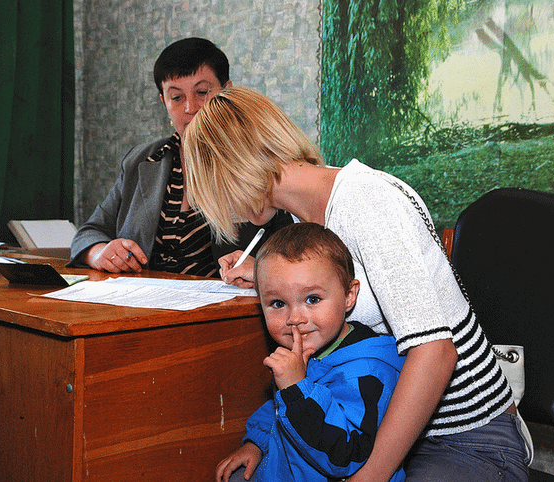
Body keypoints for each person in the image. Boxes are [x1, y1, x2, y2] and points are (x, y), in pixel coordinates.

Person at [183, 87, 531, 482]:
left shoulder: (365, 201)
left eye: (218, 191)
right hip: (388, 430)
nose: (228, 207)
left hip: (466, 435)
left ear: (232, 169)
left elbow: (436, 353)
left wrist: (370, 477)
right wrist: (266, 276)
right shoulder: (308, 221)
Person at [68, 38, 292, 276]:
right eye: (177, 97)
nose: (190, 108)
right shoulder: (142, 160)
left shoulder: (258, 160)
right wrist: (100, 252)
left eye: (202, 92)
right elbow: (89, 232)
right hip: (147, 304)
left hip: (231, 307)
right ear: (163, 101)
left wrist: (260, 270)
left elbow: (299, 250)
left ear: (227, 92)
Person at [217, 222, 405, 482]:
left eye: (312, 299)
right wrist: (257, 442)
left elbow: (344, 455)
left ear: (349, 295)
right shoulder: (309, 348)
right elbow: (277, 404)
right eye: (278, 303)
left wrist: (296, 389)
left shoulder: (366, 371)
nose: (294, 318)